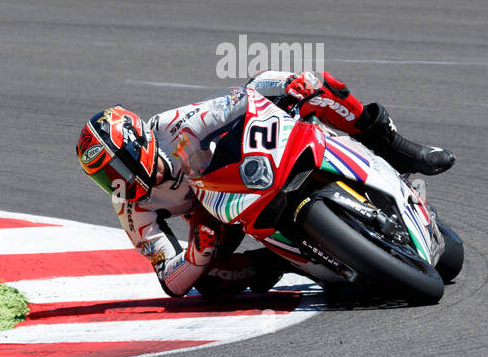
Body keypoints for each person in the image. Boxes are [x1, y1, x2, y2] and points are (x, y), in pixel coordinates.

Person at [75, 70, 454, 299]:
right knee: (210, 285)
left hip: (236, 171)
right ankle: (289, 261)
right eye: (103, 179)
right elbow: (170, 281)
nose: (115, 184)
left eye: (114, 171)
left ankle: (394, 146)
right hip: (213, 217)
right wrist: (195, 255)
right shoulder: (130, 207)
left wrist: (283, 93)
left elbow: (239, 103)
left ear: (137, 144)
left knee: (311, 83)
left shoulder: (174, 126)